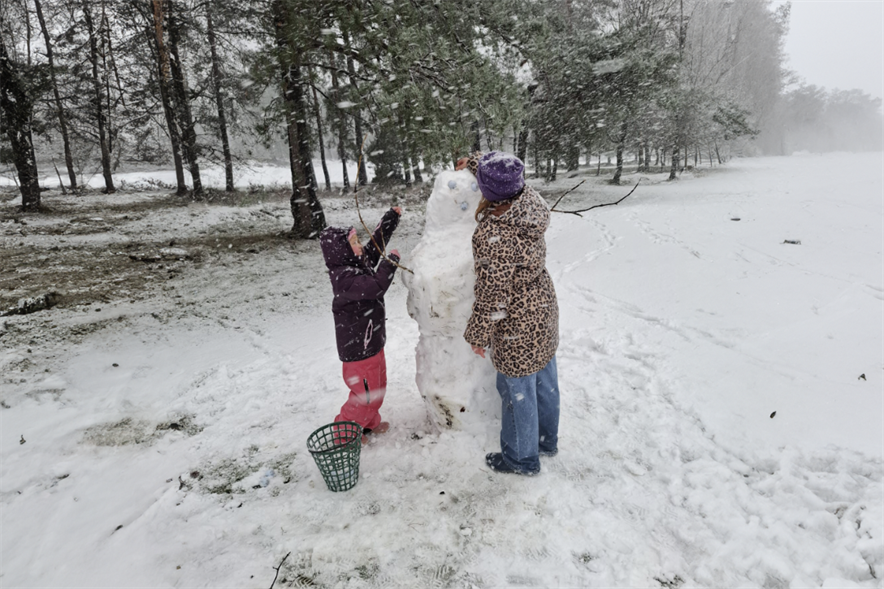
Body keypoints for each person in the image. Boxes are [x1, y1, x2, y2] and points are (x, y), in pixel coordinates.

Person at [458, 151, 560, 475]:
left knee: (517, 392)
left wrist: (478, 334)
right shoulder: (530, 200)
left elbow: (491, 294)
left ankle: (520, 458)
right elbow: (502, 174)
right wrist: (474, 162)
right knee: (544, 379)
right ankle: (546, 440)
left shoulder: (495, 236)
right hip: (543, 306)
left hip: (517, 318)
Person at [319, 207, 403, 442]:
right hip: (358, 349)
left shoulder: (356, 262)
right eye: (354, 242)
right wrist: (391, 263)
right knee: (364, 394)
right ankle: (344, 434)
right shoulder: (344, 278)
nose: (359, 245)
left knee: (377, 387)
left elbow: (374, 248)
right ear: (341, 252)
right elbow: (376, 286)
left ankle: (366, 423)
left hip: (372, 342)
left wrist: (390, 219)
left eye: (357, 240)